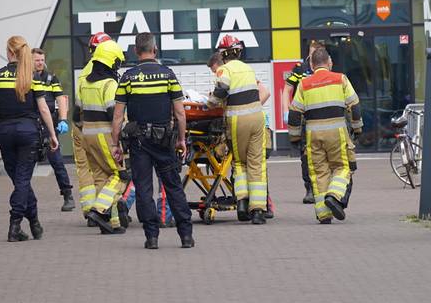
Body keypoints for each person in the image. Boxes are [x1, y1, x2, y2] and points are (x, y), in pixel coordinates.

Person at [111, 33, 194, 249]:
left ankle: (152, 237)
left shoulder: (128, 77)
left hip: (139, 143)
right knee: (173, 186)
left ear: (137, 52)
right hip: (164, 140)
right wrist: (182, 139)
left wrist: (115, 144)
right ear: (154, 50)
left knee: (144, 188)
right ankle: (186, 236)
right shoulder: (168, 74)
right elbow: (180, 112)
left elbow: (118, 116)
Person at [0, 36, 60, 242]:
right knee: (23, 180)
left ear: (9, 52)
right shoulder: (32, 76)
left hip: (5, 133)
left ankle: (33, 223)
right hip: (28, 133)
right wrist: (52, 134)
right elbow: (44, 108)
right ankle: (17, 223)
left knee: (20, 180)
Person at [287, 47, 362, 224]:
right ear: (329, 63)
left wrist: (295, 138)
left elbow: (294, 113)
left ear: (311, 65)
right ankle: (334, 196)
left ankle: (323, 215)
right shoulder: (340, 79)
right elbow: (355, 105)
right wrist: (357, 129)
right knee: (342, 167)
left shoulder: (304, 84)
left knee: (319, 173)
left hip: (313, 134)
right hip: (337, 132)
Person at [209, 35, 271, 224]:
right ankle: (258, 211)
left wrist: (210, 102)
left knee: (239, 162)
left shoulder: (224, 70)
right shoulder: (248, 68)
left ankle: (243, 204)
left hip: (237, 120)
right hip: (257, 119)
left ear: (223, 53)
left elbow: (220, 92)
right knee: (257, 164)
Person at [78, 39, 130, 234]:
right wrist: (121, 138)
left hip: (87, 135)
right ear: (110, 61)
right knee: (120, 175)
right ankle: (99, 211)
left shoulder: (84, 82)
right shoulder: (109, 84)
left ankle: (112, 222)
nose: (118, 66)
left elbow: (77, 113)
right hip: (105, 135)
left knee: (101, 176)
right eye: (117, 62)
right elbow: (113, 115)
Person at [71, 32, 112, 225]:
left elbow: (77, 105)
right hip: (96, 127)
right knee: (104, 170)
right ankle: (100, 209)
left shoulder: (85, 71)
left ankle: (90, 209)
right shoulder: (103, 71)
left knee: (85, 168)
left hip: (81, 126)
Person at [32, 48, 75, 211]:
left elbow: (61, 99)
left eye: (42, 60)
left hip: (48, 126)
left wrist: (63, 120)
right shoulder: (25, 77)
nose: (40, 63)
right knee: (27, 164)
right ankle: (25, 196)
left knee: (57, 161)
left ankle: (68, 196)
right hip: (32, 125)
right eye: (37, 60)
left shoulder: (51, 78)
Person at [283, 41, 321, 204]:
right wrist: (287, 111)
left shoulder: (324, 68)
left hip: (321, 116)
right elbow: (287, 90)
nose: (314, 57)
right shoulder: (300, 68)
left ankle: (322, 187)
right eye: (313, 53)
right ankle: (310, 189)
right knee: (305, 155)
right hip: (304, 118)